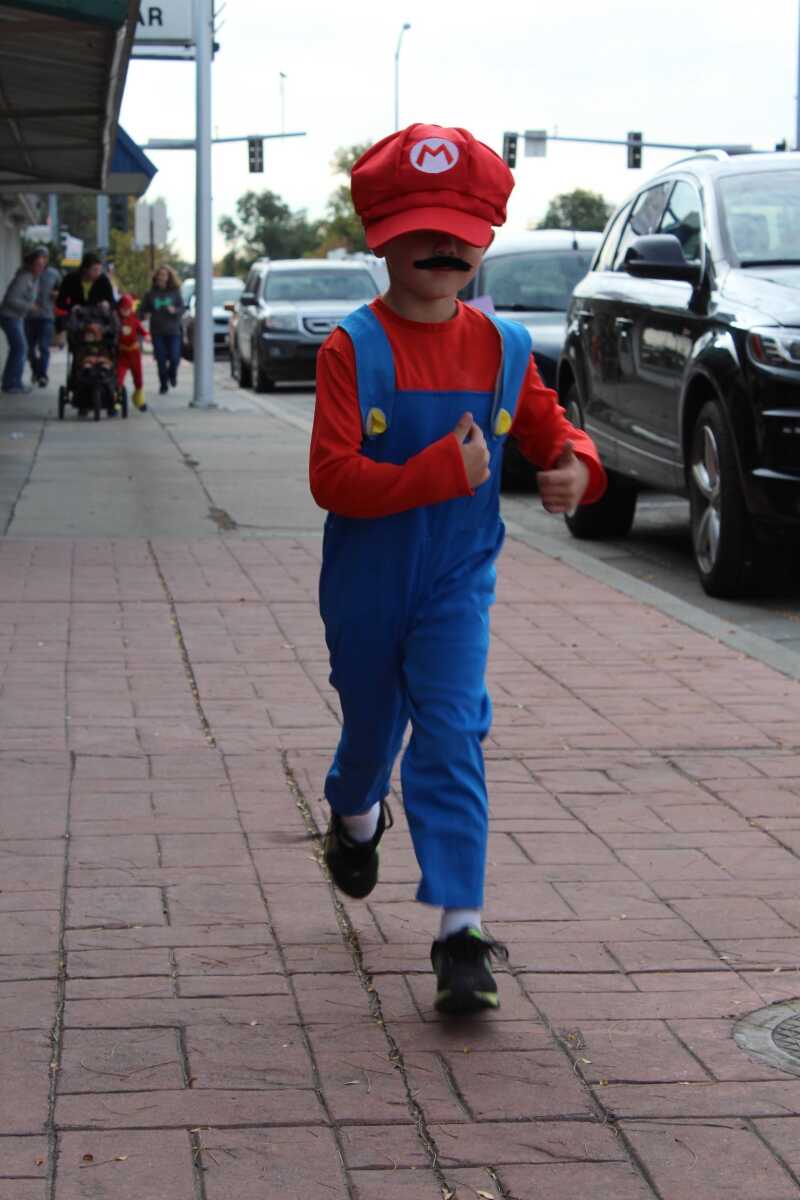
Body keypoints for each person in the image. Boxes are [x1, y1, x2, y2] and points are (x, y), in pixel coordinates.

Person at [309, 124, 607, 1015]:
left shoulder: (505, 348)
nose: (442, 248)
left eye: (460, 232)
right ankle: (354, 817)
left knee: (450, 730)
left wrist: (577, 469)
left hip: (455, 581)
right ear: (381, 238)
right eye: (420, 230)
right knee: (372, 734)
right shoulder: (351, 349)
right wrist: (440, 470)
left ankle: (460, 930)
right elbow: (331, 478)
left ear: (486, 238)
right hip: (367, 583)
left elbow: (556, 432)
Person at [0, 246, 48, 394]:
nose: (41, 268)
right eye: (38, 264)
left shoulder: (34, 278)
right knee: (20, 348)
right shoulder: (24, 277)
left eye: (43, 265)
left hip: (18, 316)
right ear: (31, 264)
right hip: (10, 316)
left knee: (19, 348)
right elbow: (10, 299)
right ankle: (11, 383)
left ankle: (13, 381)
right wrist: (30, 307)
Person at [137, 264, 184, 395]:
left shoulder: (175, 292)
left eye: (164, 275)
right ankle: (163, 383)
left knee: (175, 357)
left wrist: (175, 310)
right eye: (159, 275)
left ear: (169, 277)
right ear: (156, 277)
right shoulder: (150, 294)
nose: (162, 277)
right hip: (157, 331)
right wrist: (144, 315)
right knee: (161, 359)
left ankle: (172, 374)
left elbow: (182, 308)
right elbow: (140, 311)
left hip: (174, 330)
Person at [25, 248, 61, 387]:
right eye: (40, 257)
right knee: (29, 349)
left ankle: (42, 375)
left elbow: (61, 290)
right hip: (29, 316)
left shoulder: (54, 274)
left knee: (44, 347)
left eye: (45, 257)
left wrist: (56, 294)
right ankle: (36, 370)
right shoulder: (28, 273)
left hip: (47, 316)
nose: (42, 260)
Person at [55, 251, 115, 325]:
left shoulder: (103, 281)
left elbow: (113, 303)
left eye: (99, 270)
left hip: (96, 319)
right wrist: (72, 307)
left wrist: (107, 304)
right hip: (76, 319)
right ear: (85, 269)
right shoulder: (70, 279)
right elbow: (60, 302)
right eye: (95, 270)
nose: (98, 273)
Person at [116, 293, 148, 412]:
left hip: (134, 354)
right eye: (123, 308)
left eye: (128, 308)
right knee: (119, 379)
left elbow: (142, 330)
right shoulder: (116, 320)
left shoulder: (134, 320)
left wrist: (146, 335)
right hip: (122, 354)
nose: (125, 311)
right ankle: (117, 400)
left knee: (138, 379)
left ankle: (139, 399)